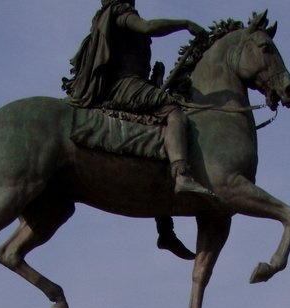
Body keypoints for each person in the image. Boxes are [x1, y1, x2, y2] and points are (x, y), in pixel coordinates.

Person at [65, 1, 214, 200]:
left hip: (131, 83)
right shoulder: (119, 13)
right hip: (124, 85)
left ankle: (164, 223)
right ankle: (181, 176)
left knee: (157, 130)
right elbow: (148, 27)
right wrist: (185, 23)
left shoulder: (109, 18)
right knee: (174, 112)